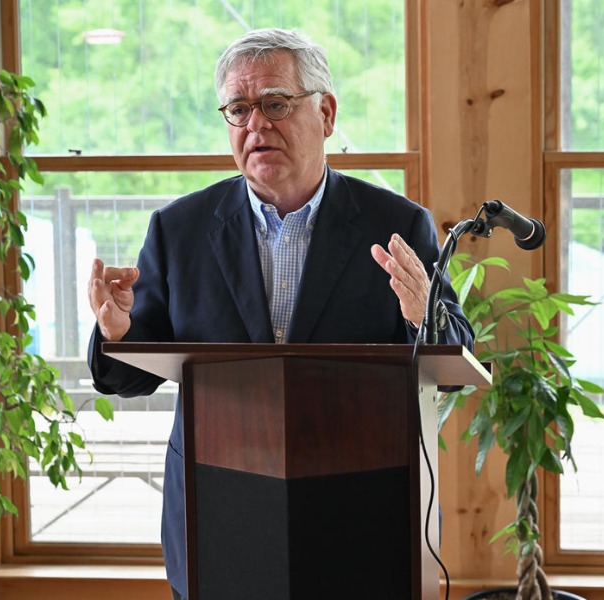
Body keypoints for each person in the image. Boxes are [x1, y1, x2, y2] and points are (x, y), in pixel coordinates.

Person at [87, 27, 473, 600]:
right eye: (238, 109)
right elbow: (128, 375)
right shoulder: (179, 230)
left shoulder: (396, 225)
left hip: (356, 508)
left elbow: (458, 358)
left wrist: (425, 317)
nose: (255, 125)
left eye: (275, 104)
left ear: (327, 113)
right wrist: (117, 330)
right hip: (216, 505)